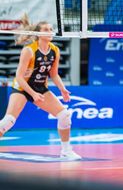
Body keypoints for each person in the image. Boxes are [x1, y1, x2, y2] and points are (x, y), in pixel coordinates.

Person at [0, 16, 80, 160]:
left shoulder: (55, 50)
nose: (50, 32)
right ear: (38, 34)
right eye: (46, 30)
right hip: (22, 87)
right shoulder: (29, 50)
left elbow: (54, 74)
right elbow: (19, 77)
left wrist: (62, 89)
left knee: (64, 115)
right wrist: (32, 94)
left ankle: (66, 151)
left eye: (51, 29)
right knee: (8, 121)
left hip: (40, 87)